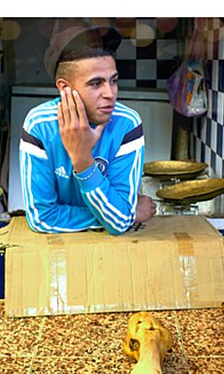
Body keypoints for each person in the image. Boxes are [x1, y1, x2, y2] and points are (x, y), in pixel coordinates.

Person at [19, 19, 157, 234]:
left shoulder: (126, 123)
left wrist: (82, 159)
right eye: (96, 83)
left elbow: (119, 221)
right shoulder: (39, 126)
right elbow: (41, 218)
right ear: (65, 88)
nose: (110, 94)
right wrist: (126, 215)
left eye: (113, 80)